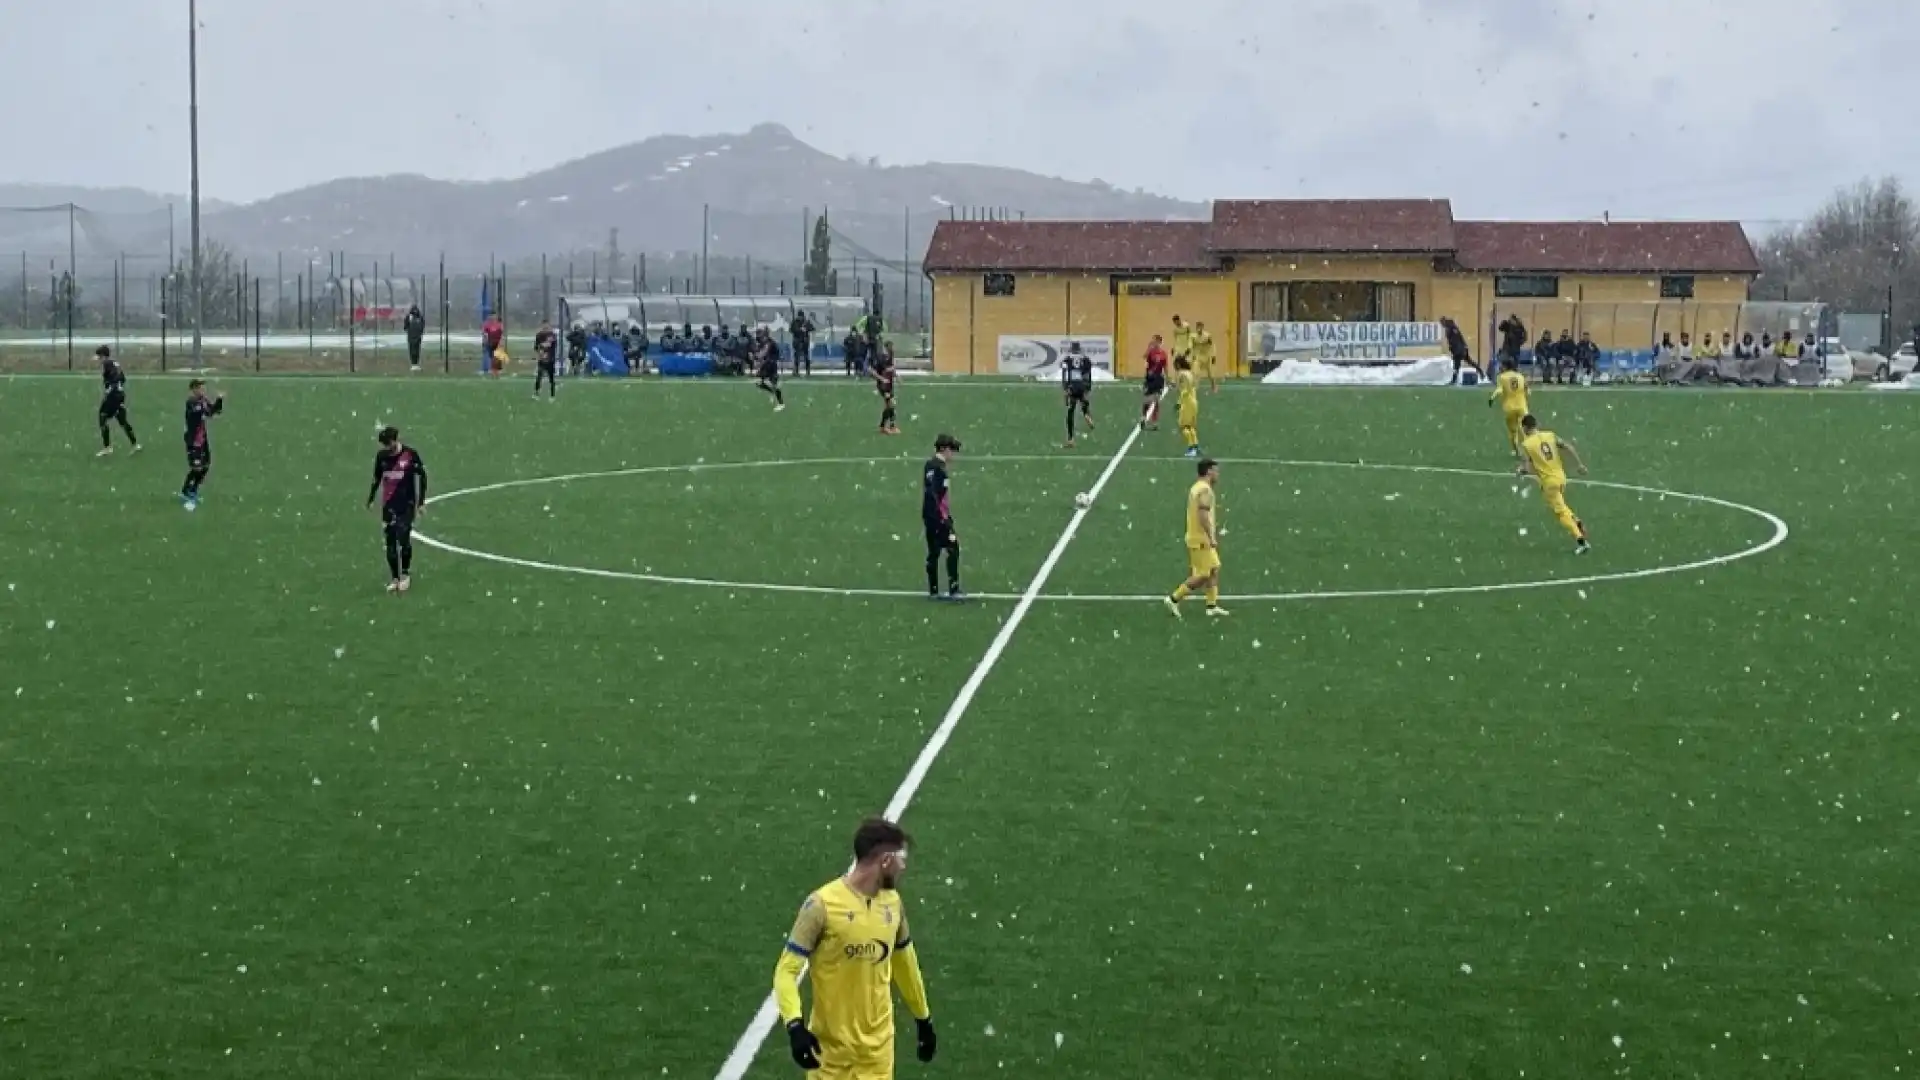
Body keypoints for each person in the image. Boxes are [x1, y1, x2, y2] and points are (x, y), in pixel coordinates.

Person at [774, 817, 936, 1078]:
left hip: (877, 1055)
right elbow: (786, 971)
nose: (903, 866)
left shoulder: (893, 905)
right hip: (830, 1056)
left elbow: (905, 964)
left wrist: (923, 1019)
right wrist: (794, 1025)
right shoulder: (821, 906)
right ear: (885, 861)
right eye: (900, 857)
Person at [1517, 414, 1590, 555]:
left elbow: (1527, 467)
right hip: (1561, 476)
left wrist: (1520, 471)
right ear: (1536, 424)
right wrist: (1579, 464)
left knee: (1560, 513)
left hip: (1549, 483)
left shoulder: (1527, 444)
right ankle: (1576, 520)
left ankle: (1581, 541)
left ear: (1525, 428)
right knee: (1561, 505)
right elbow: (1567, 446)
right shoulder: (1550, 435)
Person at [367, 426, 427, 594]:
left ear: (395, 440)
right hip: (389, 505)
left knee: (403, 537)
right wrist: (371, 498)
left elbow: (421, 476)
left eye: (388, 444)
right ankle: (395, 577)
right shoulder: (382, 457)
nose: (387, 448)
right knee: (390, 541)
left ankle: (405, 574)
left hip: (406, 504)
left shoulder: (409, 455)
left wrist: (420, 502)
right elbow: (377, 477)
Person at [1164, 456, 1226, 618]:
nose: (1218, 475)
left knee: (1214, 569)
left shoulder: (1196, 487)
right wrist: (1211, 536)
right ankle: (1174, 598)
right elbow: (1203, 514)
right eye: (1216, 471)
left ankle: (1211, 606)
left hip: (1196, 537)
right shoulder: (1205, 490)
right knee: (1202, 575)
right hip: (1201, 539)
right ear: (1209, 472)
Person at [922, 434, 963, 601]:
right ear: (945, 449)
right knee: (953, 547)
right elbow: (936, 496)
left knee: (934, 551)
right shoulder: (939, 469)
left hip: (929, 516)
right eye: (951, 450)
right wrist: (943, 518)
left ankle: (933, 590)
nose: (952, 454)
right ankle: (954, 589)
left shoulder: (929, 465)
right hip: (939, 517)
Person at [179, 379, 224, 511]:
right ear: (193, 389)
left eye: (202, 387)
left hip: (202, 439)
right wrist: (206, 408)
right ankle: (184, 491)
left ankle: (193, 490)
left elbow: (212, 412)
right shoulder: (191, 402)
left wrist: (219, 400)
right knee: (196, 468)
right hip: (193, 440)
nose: (202, 390)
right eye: (199, 388)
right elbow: (199, 412)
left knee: (206, 466)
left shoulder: (203, 401)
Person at [94, 345, 139, 457]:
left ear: (103, 356)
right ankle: (135, 444)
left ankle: (107, 447)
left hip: (113, 395)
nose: (99, 360)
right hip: (120, 394)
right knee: (122, 419)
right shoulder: (115, 363)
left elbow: (113, 378)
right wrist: (118, 387)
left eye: (99, 357)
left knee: (102, 416)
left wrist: (110, 388)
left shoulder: (107, 363)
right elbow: (122, 378)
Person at [1488, 362, 1529, 458]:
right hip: (1522, 406)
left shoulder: (1502, 377)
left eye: (1501, 365)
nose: (1500, 367)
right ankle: (1530, 449)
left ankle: (1517, 451)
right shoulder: (1520, 376)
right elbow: (1526, 388)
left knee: (1513, 431)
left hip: (1509, 408)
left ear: (1506, 367)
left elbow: (1499, 389)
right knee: (1526, 428)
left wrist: (1492, 398)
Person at [1060, 341, 1095, 448]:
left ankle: (1071, 439)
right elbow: (1088, 372)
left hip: (1072, 386)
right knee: (1083, 400)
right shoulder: (1085, 359)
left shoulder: (1067, 359)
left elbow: (1064, 373)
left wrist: (1065, 388)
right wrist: (1088, 386)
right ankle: (1086, 414)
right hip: (1081, 384)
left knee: (1071, 411)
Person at [1174, 355, 1202, 458]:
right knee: (1191, 426)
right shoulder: (1190, 373)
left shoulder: (1181, 374)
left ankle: (1191, 448)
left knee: (1183, 427)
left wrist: (1178, 402)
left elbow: (1184, 390)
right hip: (1194, 401)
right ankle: (1196, 445)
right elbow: (1193, 386)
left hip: (1187, 402)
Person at [1140, 333, 1169, 430]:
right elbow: (1144, 358)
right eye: (1153, 341)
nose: (1154, 342)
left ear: (1159, 342)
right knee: (1147, 400)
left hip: (1158, 378)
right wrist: (1148, 348)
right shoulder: (1151, 352)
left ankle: (1155, 422)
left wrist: (1168, 378)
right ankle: (1143, 417)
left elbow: (1165, 367)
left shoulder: (1163, 353)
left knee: (1156, 400)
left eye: (1155, 341)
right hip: (1150, 378)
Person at [1440, 316, 1477, 384]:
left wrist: (1453, 347)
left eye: (1442, 323)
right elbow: (1459, 337)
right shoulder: (1452, 327)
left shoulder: (1451, 328)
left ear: (1444, 322)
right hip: (1460, 349)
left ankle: (1453, 380)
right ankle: (1480, 371)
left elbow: (1456, 339)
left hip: (1458, 350)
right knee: (1467, 362)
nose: (1442, 325)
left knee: (1457, 365)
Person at [755, 329, 785, 410]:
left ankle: (781, 403)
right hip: (766, 364)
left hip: (771, 365)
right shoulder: (763, 343)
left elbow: (763, 353)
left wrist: (758, 357)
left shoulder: (770, 343)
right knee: (758, 382)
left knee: (774, 384)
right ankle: (772, 392)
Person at [873, 343, 900, 435]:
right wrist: (882, 379)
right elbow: (873, 370)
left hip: (889, 385)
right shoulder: (881, 358)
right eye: (891, 347)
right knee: (890, 404)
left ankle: (891, 426)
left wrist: (897, 376)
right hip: (883, 386)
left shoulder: (891, 357)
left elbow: (891, 370)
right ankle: (884, 427)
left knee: (890, 405)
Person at [533, 320, 559, 399]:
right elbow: (536, 347)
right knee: (539, 376)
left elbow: (551, 345)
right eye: (544, 325)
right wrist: (539, 351)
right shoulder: (539, 335)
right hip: (541, 359)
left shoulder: (553, 335)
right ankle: (536, 393)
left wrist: (545, 349)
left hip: (550, 359)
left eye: (547, 325)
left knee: (551, 378)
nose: (545, 327)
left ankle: (552, 395)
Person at [1191, 319, 1219, 393]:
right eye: (1197, 327)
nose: (1199, 328)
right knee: (1195, 372)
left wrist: (1214, 355)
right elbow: (1191, 346)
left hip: (1207, 357)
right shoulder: (1193, 336)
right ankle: (1195, 387)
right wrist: (1192, 355)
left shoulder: (1207, 335)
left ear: (1203, 327)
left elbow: (1212, 345)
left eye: (1200, 327)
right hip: (1198, 357)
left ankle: (1214, 386)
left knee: (1211, 374)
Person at [790, 310, 814, 376]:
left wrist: (806, 329)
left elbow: (812, 328)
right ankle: (796, 371)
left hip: (805, 341)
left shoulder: (806, 322)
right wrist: (800, 329)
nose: (801, 318)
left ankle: (807, 370)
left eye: (801, 317)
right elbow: (792, 330)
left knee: (806, 357)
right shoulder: (795, 322)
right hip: (797, 341)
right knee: (797, 357)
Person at [403, 303, 426, 371]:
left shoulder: (420, 317)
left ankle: (416, 364)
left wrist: (420, 332)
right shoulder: (409, 317)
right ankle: (413, 364)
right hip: (412, 336)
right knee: (413, 350)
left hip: (417, 337)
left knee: (416, 350)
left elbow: (422, 326)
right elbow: (405, 327)